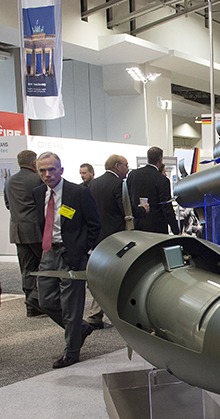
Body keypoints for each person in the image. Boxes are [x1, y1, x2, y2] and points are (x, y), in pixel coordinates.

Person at [33, 152, 101, 368]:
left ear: (61, 170)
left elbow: (94, 225)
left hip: (71, 254)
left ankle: (71, 351)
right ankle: (80, 329)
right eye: (42, 170)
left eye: (51, 169)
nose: (47, 174)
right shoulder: (37, 193)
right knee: (46, 301)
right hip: (48, 253)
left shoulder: (78, 193)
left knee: (71, 306)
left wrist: (80, 250)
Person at [85, 154, 142, 328]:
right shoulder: (118, 184)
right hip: (116, 239)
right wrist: (142, 210)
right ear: (117, 166)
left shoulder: (93, 183)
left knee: (101, 274)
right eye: (126, 165)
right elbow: (126, 209)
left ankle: (96, 314)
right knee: (116, 275)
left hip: (98, 237)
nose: (128, 169)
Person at [3, 149, 45, 317]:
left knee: (26, 268)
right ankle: (41, 301)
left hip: (17, 230)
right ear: (34, 163)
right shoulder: (38, 180)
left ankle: (31, 305)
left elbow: (8, 204)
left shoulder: (9, 181)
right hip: (36, 230)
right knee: (44, 266)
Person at [128, 146, 180, 235]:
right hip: (157, 229)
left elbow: (128, 199)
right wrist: (176, 230)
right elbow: (166, 207)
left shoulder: (132, 175)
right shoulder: (162, 180)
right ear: (160, 160)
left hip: (137, 225)